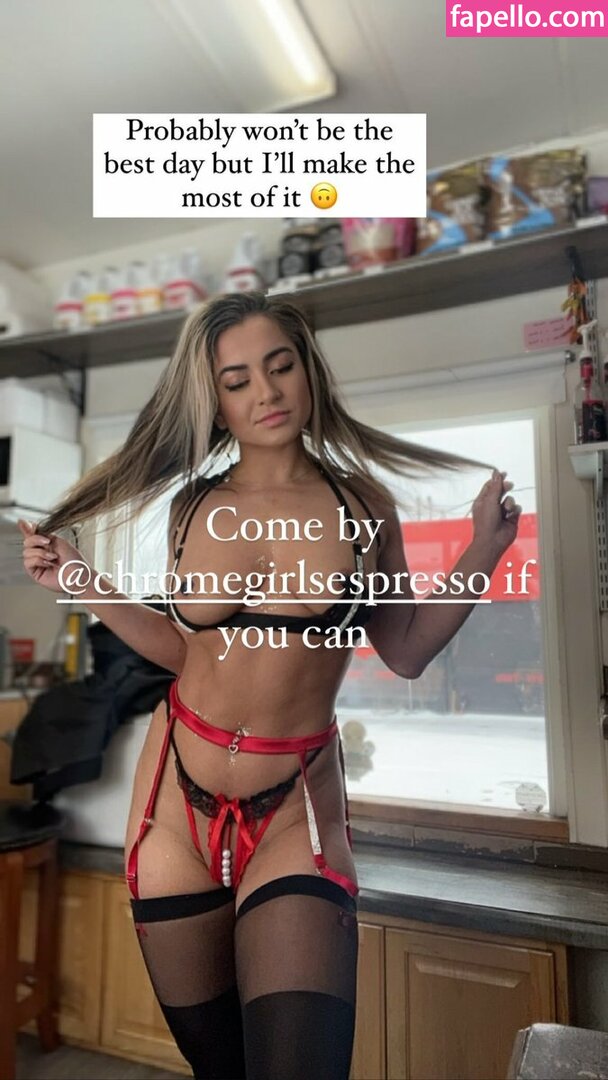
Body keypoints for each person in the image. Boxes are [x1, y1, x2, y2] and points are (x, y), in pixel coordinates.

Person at [19, 292, 521, 1080]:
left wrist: (484, 549)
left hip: (294, 809)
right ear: (214, 400)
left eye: (280, 366)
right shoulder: (193, 507)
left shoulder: (363, 505)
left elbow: (406, 650)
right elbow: (187, 653)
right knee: (219, 1068)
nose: (267, 391)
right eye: (238, 380)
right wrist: (79, 580)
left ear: (307, 371)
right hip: (174, 808)